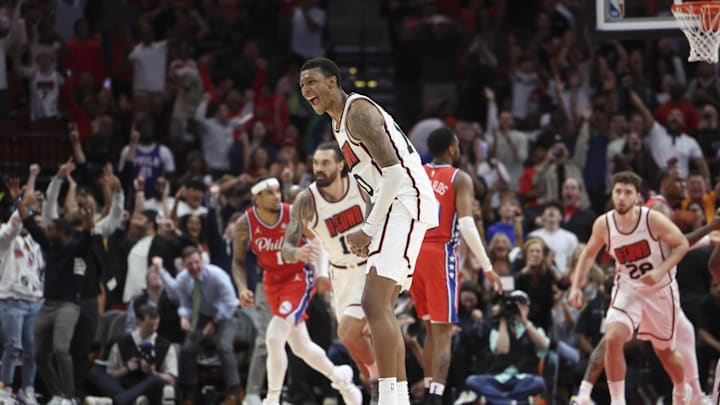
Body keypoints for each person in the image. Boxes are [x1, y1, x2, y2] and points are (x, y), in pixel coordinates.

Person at [299, 56, 439, 405]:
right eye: (302, 86)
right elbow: (372, 180)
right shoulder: (337, 126)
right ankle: (398, 397)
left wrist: (368, 227)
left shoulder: (357, 111)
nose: (306, 90)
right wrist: (373, 226)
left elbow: (393, 172)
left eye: (312, 82)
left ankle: (391, 398)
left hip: (406, 201)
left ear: (333, 81)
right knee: (381, 309)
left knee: (374, 303)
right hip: (390, 206)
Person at [233, 176, 362, 405]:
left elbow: (319, 242)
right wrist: (242, 288)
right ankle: (341, 379)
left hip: (299, 277)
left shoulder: (293, 213)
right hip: (272, 282)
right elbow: (238, 261)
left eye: (277, 191)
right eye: (270, 192)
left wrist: (322, 273)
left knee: (273, 338)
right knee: (301, 347)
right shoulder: (245, 224)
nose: (276, 196)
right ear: (257, 198)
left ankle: (271, 399)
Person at [569, 171, 690, 405]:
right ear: (612, 193)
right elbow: (587, 255)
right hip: (628, 289)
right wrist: (576, 286)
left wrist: (659, 270)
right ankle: (618, 401)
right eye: (618, 192)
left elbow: (682, 244)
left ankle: (680, 389)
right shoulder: (604, 224)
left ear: (637, 197)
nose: (622, 197)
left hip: (660, 292)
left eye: (627, 192)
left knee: (665, 353)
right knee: (613, 337)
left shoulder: (652, 220)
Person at [409, 127, 502, 405]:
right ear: (452, 148)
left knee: (428, 329)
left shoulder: (418, 172)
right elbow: (468, 226)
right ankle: (437, 395)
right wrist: (486, 265)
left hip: (415, 253)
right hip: (440, 253)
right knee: (444, 333)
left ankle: (427, 389)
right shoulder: (460, 178)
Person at [281, 142, 378, 384]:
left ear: (341, 164)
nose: (319, 168)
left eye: (325, 163)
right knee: (350, 341)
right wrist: (299, 253)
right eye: (315, 163)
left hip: (371, 268)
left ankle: (382, 382)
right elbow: (287, 245)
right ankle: (373, 382)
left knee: (347, 332)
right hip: (340, 275)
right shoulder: (306, 200)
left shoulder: (360, 185)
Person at [168, 246, 242, 405]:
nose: (194, 267)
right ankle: (191, 390)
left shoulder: (217, 275)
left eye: (196, 263)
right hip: (202, 315)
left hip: (227, 315)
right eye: (190, 264)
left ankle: (235, 389)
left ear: (201, 261)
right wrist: (184, 317)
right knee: (188, 347)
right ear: (184, 265)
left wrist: (214, 323)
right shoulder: (182, 279)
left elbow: (230, 303)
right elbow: (185, 303)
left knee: (224, 346)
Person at [458, 290, 548, 405]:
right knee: (472, 381)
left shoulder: (536, 329)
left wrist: (525, 321)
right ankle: (514, 402)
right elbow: (502, 349)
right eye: (514, 305)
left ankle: (499, 400)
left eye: (521, 304)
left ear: (527, 307)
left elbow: (544, 346)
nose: (517, 308)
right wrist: (503, 319)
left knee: (539, 382)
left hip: (523, 378)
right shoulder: (497, 329)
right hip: (498, 377)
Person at [0, 177, 44, 405]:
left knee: (32, 350)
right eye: (25, 214)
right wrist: (21, 202)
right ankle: (4, 389)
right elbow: (13, 226)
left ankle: (27, 389)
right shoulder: (4, 236)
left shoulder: (34, 243)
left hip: (33, 301)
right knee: (12, 347)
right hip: (11, 300)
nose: (29, 219)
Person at [84, 305, 177, 405]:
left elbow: (171, 377)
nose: (153, 329)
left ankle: (113, 402)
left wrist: (152, 372)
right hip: (124, 385)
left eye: (156, 325)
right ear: (138, 322)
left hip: (149, 387)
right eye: (149, 325)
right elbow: (111, 374)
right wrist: (126, 368)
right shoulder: (122, 343)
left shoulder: (165, 346)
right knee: (95, 371)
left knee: (157, 380)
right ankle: (132, 401)